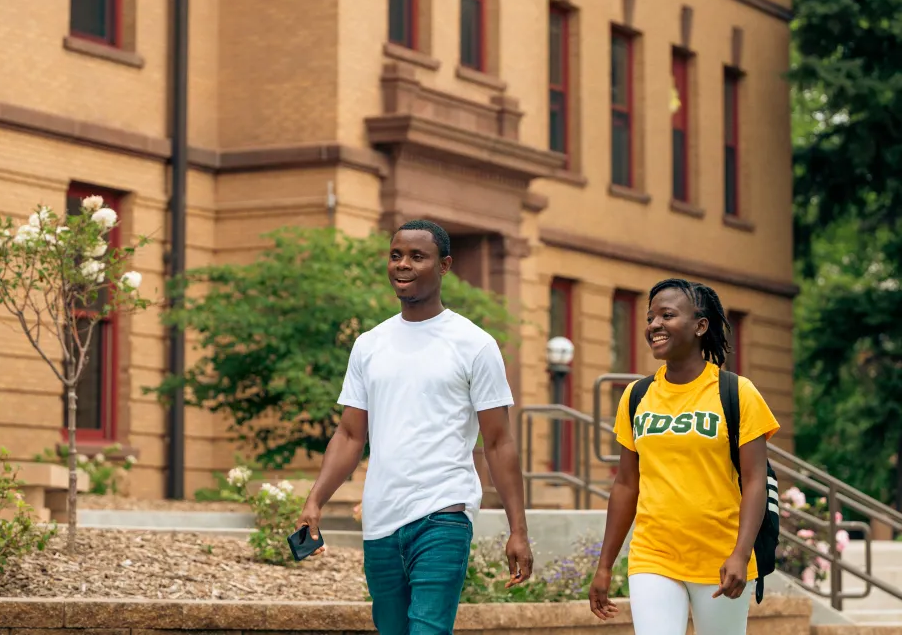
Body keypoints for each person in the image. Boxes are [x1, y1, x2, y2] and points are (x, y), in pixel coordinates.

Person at [297, 219, 533, 635]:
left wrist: (518, 530)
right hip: (381, 518)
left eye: (416, 256)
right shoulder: (369, 345)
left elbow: (498, 442)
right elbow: (351, 434)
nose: (402, 264)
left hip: (443, 515)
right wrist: (315, 499)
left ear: (444, 266)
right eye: (395, 255)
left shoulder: (474, 344)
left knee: (427, 629)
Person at [588, 278, 780, 635]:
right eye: (650, 317)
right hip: (653, 555)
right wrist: (604, 565)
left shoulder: (737, 392)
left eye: (667, 315)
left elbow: (754, 480)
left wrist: (741, 553)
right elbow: (627, 484)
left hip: (721, 557)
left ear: (700, 325)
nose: (654, 325)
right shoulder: (636, 395)